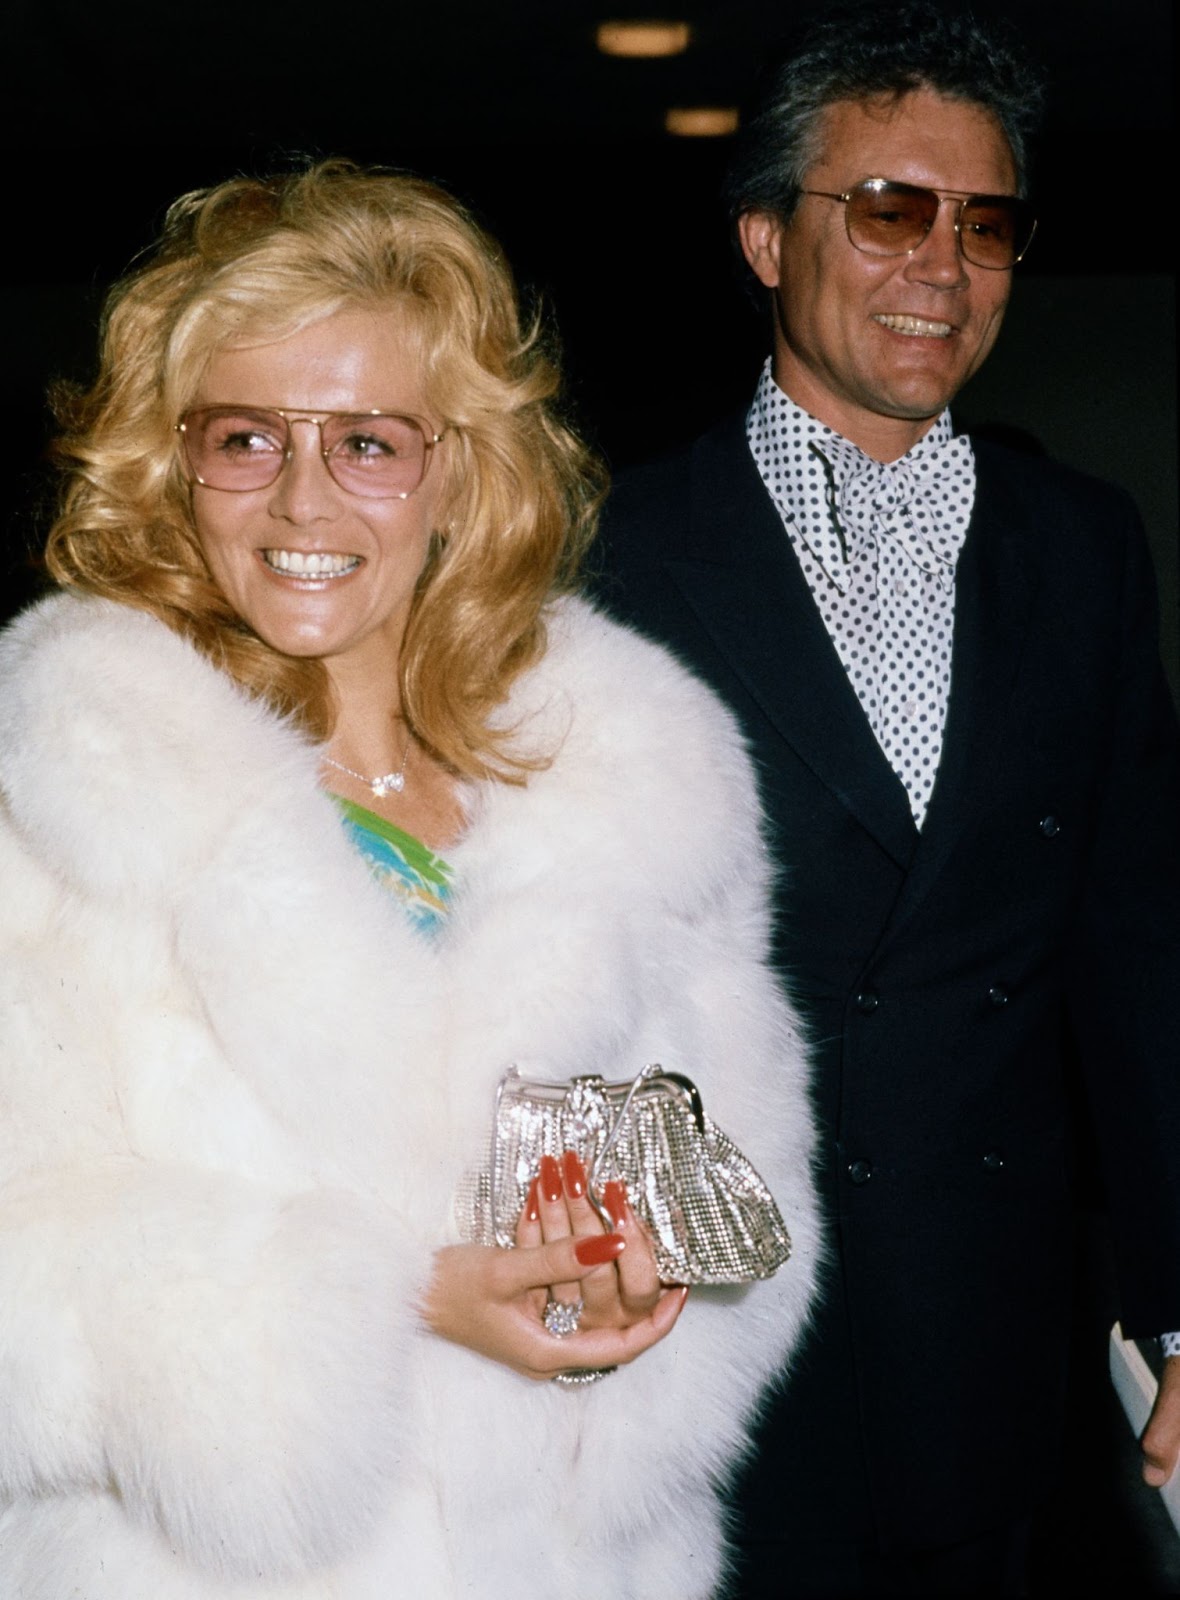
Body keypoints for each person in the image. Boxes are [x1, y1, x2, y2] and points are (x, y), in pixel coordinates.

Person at [0, 160, 821, 1597]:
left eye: (369, 441)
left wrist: (640, 1287)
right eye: (248, 436)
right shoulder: (59, 800)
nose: (304, 498)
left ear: (457, 468)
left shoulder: (633, 785)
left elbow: (753, 1207)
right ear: (173, 462)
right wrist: (406, 1299)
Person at [595, 3, 1180, 1592]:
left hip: (997, 1355)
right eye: (891, 209)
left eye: (986, 223)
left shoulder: (1081, 548)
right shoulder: (608, 551)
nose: (946, 261)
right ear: (768, 239)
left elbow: (1135, 948)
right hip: (696, 1348)